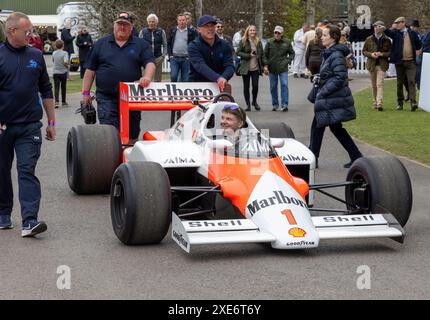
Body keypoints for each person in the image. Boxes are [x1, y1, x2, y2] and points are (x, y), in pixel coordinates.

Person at [0, 12, 56, 237]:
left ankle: (29, 220)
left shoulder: (36, 55)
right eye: (27, 31)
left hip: (30, 126)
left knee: (26, 170)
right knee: (2, 171)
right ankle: (3, 213)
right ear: (12, 31)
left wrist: (51, 121)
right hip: (3, 127)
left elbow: (46, 89)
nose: (32, 35)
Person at [82, 11, 155, 143]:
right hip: (106, 97)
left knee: (132, 132)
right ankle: (111, 161)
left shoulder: (141, 44)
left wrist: (147, 77)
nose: (122, 27)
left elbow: (150, 63)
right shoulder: (101, 44)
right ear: (114, 25)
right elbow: (90, 71)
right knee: (110, 133)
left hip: (132, 97)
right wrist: (85, 93)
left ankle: (129, 157)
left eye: (125, 25)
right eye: (119, 24)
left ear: (131, 27)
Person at [309, 25, 362, 169]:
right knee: (333, 128)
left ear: (333, 38)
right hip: (331, 98)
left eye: (325, 35)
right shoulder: (330, 53)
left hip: (331, 98)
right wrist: (319, 77)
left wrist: (323, 90)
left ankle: (312, 159)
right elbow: (332, 74)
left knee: (318, 127)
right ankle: (356, 156)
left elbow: (340, 77)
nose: (322, 37)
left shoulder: (336, 55)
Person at [188, 15, 235, 92]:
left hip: (220, 86)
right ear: (199, 30)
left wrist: (224, 77)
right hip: (197, 87)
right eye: (206, 26)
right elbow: (200, 66)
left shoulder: (225, 45)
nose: (210, 29)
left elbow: (230, 65)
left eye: (212, 25)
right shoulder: (193, 46)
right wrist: (218, 78)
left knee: (227, 103)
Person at [384, 17, 422, 111]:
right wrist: (389, 28)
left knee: (411, 81)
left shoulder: (412, 33)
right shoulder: (395, 33)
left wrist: (417, 51)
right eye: (395, 23)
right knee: (399, 83)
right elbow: (387, 32)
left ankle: (413, 102)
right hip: (399, 62)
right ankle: (399, 103)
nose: (396, 24)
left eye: (398, 23)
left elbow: (419, 44)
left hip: (411, 62)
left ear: (403, 23)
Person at [263, 25, 294, 112]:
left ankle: (284, 105)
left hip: (282, 68)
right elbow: (264, 55)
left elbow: (292, 53)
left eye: (278, 33)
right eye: (275, 32)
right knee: (273, 87)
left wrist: (287, 61)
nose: (276, 34)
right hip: (272, 67)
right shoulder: (269, 42)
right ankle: (275, 104)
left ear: (282, 33)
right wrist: (265, 65)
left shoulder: (287, 42)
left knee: (284, 85)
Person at [362, 21, 392, 111]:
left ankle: (379, 103)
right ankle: (375, 101)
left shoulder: (387, 40)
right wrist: (371, 54)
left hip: (382, 65)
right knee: (374, 85)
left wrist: (382, 54)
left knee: (379, 84)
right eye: (375, 26)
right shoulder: (369, 39)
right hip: (371, 65)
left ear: (382, 28)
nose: (376, 28)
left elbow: (390, 53)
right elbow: (364, 51)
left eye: (378, 26)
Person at [236, 25, 263, 111]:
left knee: (255, 86)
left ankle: (254, 101)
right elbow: (238, 52)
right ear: (248, 31)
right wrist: (248, 55)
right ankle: (248, 104)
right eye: (250, 30)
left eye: (253, 30)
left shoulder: (258, 41)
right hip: (246, 67)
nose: (252, 32)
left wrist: (264, 65)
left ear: (255, 32)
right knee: (246, 87)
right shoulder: (243, 41)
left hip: (255, 67)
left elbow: (262, 54)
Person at [167, 13, 198, 82]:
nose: (182, 22)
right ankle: (173, 92)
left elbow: (195, 45)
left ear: (186, 21)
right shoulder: (173, 30)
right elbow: (168, 43)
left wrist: (190, 56)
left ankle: (183, 93)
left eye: (183, 20)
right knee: (174, 76)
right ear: (177, 21)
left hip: (186, 59)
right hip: (174, 58)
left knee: (185, 79)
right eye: (180, 20)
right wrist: (170, 55)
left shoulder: (191, 32)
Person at [139, 14, 167, 82]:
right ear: (147, 22)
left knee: (157, 79)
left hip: (158, 57)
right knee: (146, 78)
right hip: (146, 58)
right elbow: (138, 44)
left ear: (156, 22)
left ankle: (157, 92)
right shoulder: (143, 31)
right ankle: (146, 92)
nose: (151, 23)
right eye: (150, 21)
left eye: (153, 21)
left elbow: (165, 44)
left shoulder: (161, 31)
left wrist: (163, 56)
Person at [52, 39, 69, 108]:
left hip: (55, 72)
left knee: (56, 87)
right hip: (63, 72)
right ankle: (64, 101)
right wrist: (67, 67)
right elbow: (65, 62)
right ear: (63, 45)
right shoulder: (65, 53)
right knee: (63, 87)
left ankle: (56, 102)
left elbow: (53, 60)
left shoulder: (54, 53)